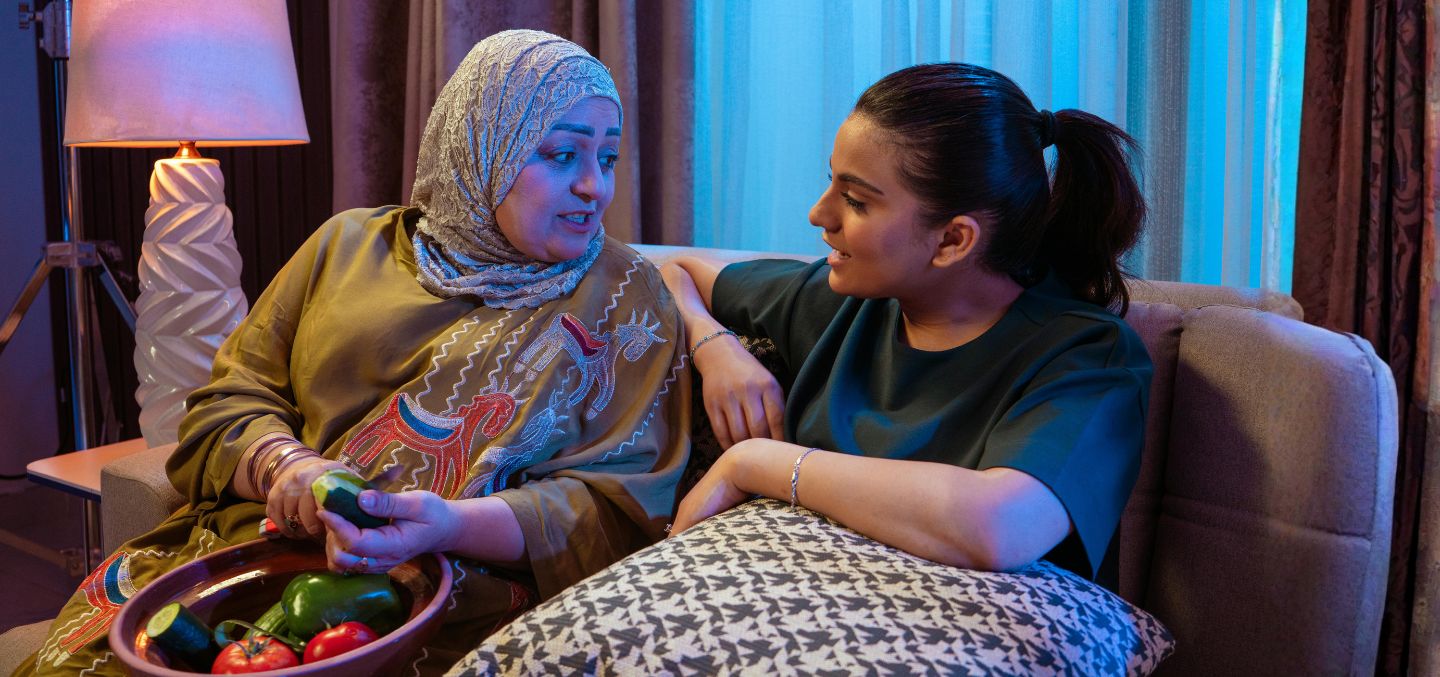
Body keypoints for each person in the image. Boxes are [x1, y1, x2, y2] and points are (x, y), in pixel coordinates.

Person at [22, 30, 689, 676]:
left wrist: (445, 525)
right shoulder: (346, 246)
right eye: (562, 154)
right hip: (260, 548)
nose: (594, 188)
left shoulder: (625, 301)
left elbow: (615, 508)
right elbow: (225, 401)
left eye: (607, 158)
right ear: (479, 147)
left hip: (450, 592)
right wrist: (291, 470)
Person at [662, 63, 1152, 582]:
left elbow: (999, 526)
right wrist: (712, 345)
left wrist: (758, 462)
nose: (818, 214)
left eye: (855, 200)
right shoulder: (838, 301)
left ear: (953, 241)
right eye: (831, 184)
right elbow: (673, 271)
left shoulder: (1088, 355)